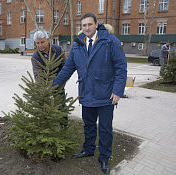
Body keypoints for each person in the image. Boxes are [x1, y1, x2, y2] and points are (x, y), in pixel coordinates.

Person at [53, 13, 127, 174]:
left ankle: (105, 157)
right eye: (84, 25)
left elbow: (121, 66)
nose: (86, 28)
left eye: (89, 24)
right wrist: (53, 85)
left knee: (106, 128)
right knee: (88, 125)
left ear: (96, 24)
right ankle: (88, 149)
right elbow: (68, 68)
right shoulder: (78, 43)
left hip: (106, 94)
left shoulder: (110, 41)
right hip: (86, 93)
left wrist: (118, 91)